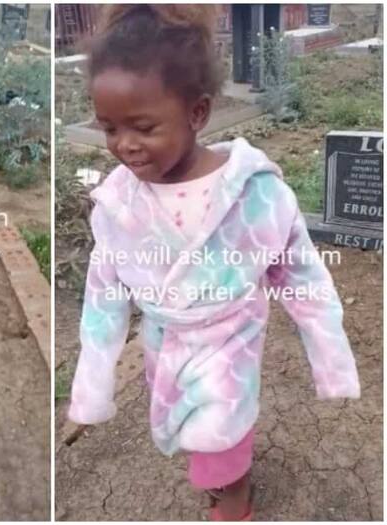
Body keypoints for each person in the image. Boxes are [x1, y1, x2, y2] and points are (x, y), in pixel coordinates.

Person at [66, 5, 360, 521]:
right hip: (167, 342)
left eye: (143, 126)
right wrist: (93, 382)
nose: (124, 146)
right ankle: (222, 477)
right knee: (192, 430)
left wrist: (330, 360)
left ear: (197, 114)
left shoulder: (253, 195)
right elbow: (105, 295)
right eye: (109, 128)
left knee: (222, 430)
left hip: (231, 338)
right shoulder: (120, 204)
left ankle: (234, 499)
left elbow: (302, 277)